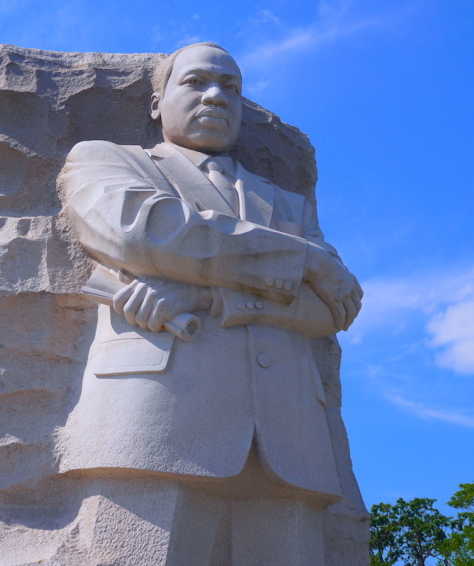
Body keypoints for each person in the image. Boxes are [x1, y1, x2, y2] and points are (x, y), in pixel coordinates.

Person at [55, 42, 363, 566]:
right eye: (197, 82)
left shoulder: (287, 204)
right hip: (154, 422)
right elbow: (142, 233)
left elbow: (334, 308)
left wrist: (208, 294)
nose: (218, 97)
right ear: (157, 103)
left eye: (232, 88)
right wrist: (303, 259)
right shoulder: (106, 160)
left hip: (291, 442)